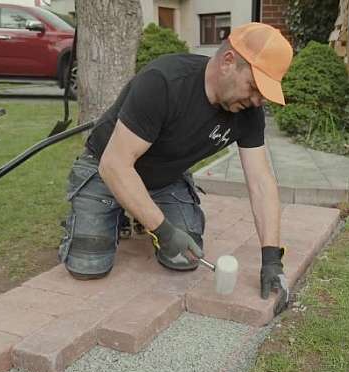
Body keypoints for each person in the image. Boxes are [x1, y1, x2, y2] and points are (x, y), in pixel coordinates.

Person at [58, 22, 293, 309]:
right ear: (228, 62)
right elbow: (115, 165)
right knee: (88, 264)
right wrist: (163, 231)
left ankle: (136, 211)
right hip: (105, 170)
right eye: (254, 87)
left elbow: (260, 181)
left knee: (184, 258)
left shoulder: (248, 111)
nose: (257, 100)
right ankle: (112, 213)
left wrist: (272, 259)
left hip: (165, 178)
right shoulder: (165, 81)